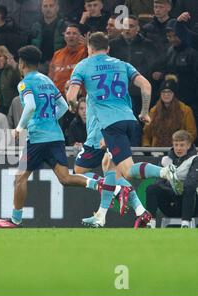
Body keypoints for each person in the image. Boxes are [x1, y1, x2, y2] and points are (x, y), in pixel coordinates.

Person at [66, 31, 182, 228]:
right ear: (108, 49)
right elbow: (145, 85)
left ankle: (165, 172)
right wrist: (145, 111)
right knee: (110, 167)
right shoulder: (122, 64)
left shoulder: (83, 66)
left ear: (89, 49)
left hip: (109, 125)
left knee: (123, 172)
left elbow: (71, 96)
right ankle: (103, 215)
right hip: (129, 120)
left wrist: (72, 104)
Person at [0, 45, 99, 228]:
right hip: (55, 136)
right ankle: (100, 184)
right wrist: (49, 120)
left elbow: (31, 106)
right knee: (65, 178)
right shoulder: (47, 81)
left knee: (20, 177)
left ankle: (15, 220)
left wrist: (19, 128)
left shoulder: (25, 83)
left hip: (37, 138)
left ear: (21, 63)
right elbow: (64, 107)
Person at [73, 98, 151, 227]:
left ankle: (116, 192)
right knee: (113, 172)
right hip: (115, 132)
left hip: (100, 136)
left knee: (79, 172)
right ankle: (140, 210)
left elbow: (105, 110)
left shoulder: (97, 86)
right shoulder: (117, 85)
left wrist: (106, 135)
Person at [146, 130, 198, 228]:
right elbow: (159, 181)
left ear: (188, 145)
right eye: (176, 145)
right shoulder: (165, 160)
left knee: (189, 187)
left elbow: (193, 181)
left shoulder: (195, 159)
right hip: (171, 203)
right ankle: (150, 223)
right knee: (152, 188)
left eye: (182, 145)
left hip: (193, 205)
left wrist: (178, 185)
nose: (178, 148)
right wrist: (171, 186)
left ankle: (186, 223)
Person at [142, 75, 196, 147]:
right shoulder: (153, 111)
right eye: (163, 92)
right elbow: (146, 133)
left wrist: (182, 146)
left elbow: (192, 133)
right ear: (160, 94)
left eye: (169, 92)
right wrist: (147, 146)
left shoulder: (186, 110)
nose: (166, 95)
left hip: (178, 150)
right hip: (157, 150)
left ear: (174, 94)